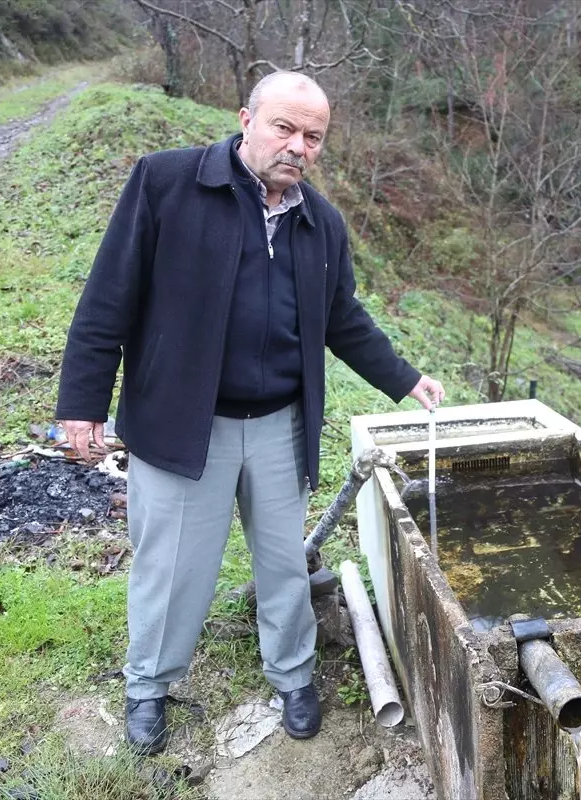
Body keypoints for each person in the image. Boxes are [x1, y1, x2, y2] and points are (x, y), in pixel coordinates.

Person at [55, 71, 444, 755]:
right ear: (246, 119)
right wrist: (82, 406)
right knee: (173, 567)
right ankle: (148, 685)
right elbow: (106, 299)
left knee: (283, 564)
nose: (298, 146)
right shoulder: (167, 184)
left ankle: (293, 676)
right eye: (284, 128)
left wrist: (405, 378)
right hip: (182, 423)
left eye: (313, 137)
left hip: (278, 426)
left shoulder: (319, 221)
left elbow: (340, 317)